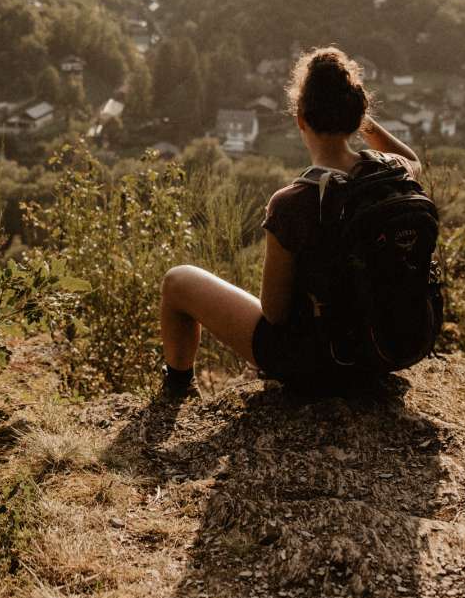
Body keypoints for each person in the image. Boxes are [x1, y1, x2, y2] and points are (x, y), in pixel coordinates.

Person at [156, 47, 424, 399]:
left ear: (300, 117)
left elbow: (275, 313)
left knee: (178, 281)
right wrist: (360, 120)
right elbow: (412, 159)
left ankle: (177, 390)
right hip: (387, 348)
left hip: (313, 362)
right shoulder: (393, 175)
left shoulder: (292, 202)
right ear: (356, 115)